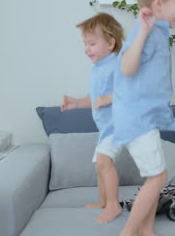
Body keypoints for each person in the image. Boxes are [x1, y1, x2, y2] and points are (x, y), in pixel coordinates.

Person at [112, 0, 175, 235]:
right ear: (158, 4)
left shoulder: (157, 32)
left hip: (143, 117)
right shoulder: (145, 30)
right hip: (137, 119)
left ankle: (147, 230)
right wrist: (142, 32)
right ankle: (129, 232)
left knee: (156, 175)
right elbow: (125, 68)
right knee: (159, 178)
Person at [60, 12, 124, 223]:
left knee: (105, 163)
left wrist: (109, 98)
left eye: (92, 43)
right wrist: (77, 103)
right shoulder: (97, 70)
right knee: (99, 165)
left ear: (110, 43)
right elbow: (94, 98)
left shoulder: (117, 66)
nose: (87, 49)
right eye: (85, 44)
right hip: (106, 128)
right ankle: (103, 201)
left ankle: (114, 205)